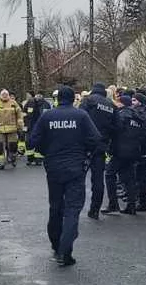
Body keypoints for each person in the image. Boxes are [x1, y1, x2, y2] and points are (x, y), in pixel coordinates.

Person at [29, 86, 102, 267]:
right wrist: (85, 152)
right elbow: (96, 139)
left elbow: (32, 141)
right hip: (75, 168)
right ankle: (65, 251)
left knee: (55, 208)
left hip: (53, 168)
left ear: (57, 98)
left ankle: (56, 245)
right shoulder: (81, 116)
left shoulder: (47, 116)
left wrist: (46, 150)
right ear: (72, 99)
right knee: (72, 210)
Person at [79, 82, 117, 219]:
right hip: (101, 146)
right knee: (98, 179)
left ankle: (74, 207)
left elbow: (80, 119)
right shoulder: (111, 105)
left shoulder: (87, 101)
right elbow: (116, 127)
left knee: (78, 178)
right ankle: (94, 209)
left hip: (84, 145)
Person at [103, 94, 146, 215]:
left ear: (121, 103)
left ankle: (113, 204)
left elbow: (115, 131)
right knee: (129, 178)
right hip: (134, 151)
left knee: (109, 174)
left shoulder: (121, 115)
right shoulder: (137, 116)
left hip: (120, 151)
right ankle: (131, 205)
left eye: (117, 102)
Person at [131, 93, 146, 212]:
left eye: (134, 101)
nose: (132, 103)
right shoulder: (142, 112)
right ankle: (138, 199)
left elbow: (144, 128)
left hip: (144, 148)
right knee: (138, 174)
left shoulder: (144, 112)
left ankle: (142, 201)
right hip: (139, 147)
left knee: (142, 176)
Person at [0, 89, 23, 170]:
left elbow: (19, 115)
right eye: (3, 95)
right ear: (0, 95)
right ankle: (0, 163)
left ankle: (13, 157)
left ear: (8, 95)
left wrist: (20, 126)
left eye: (6, 94)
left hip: (12, 129)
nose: (4, 96)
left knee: (13, 146)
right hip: (0, 130)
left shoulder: (13, 103)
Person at [23, 92, 51, 166]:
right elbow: (24, 113)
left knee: (40, 142)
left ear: (42, 96)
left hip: (41, 126)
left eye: (40, 95)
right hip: (30, 126)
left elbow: (47, 116)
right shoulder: (30, 102)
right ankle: (30, 158)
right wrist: (25, 123)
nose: (38, 96)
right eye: (37, 95)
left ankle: (38, 159)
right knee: (28, 142)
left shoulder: (46, 104)